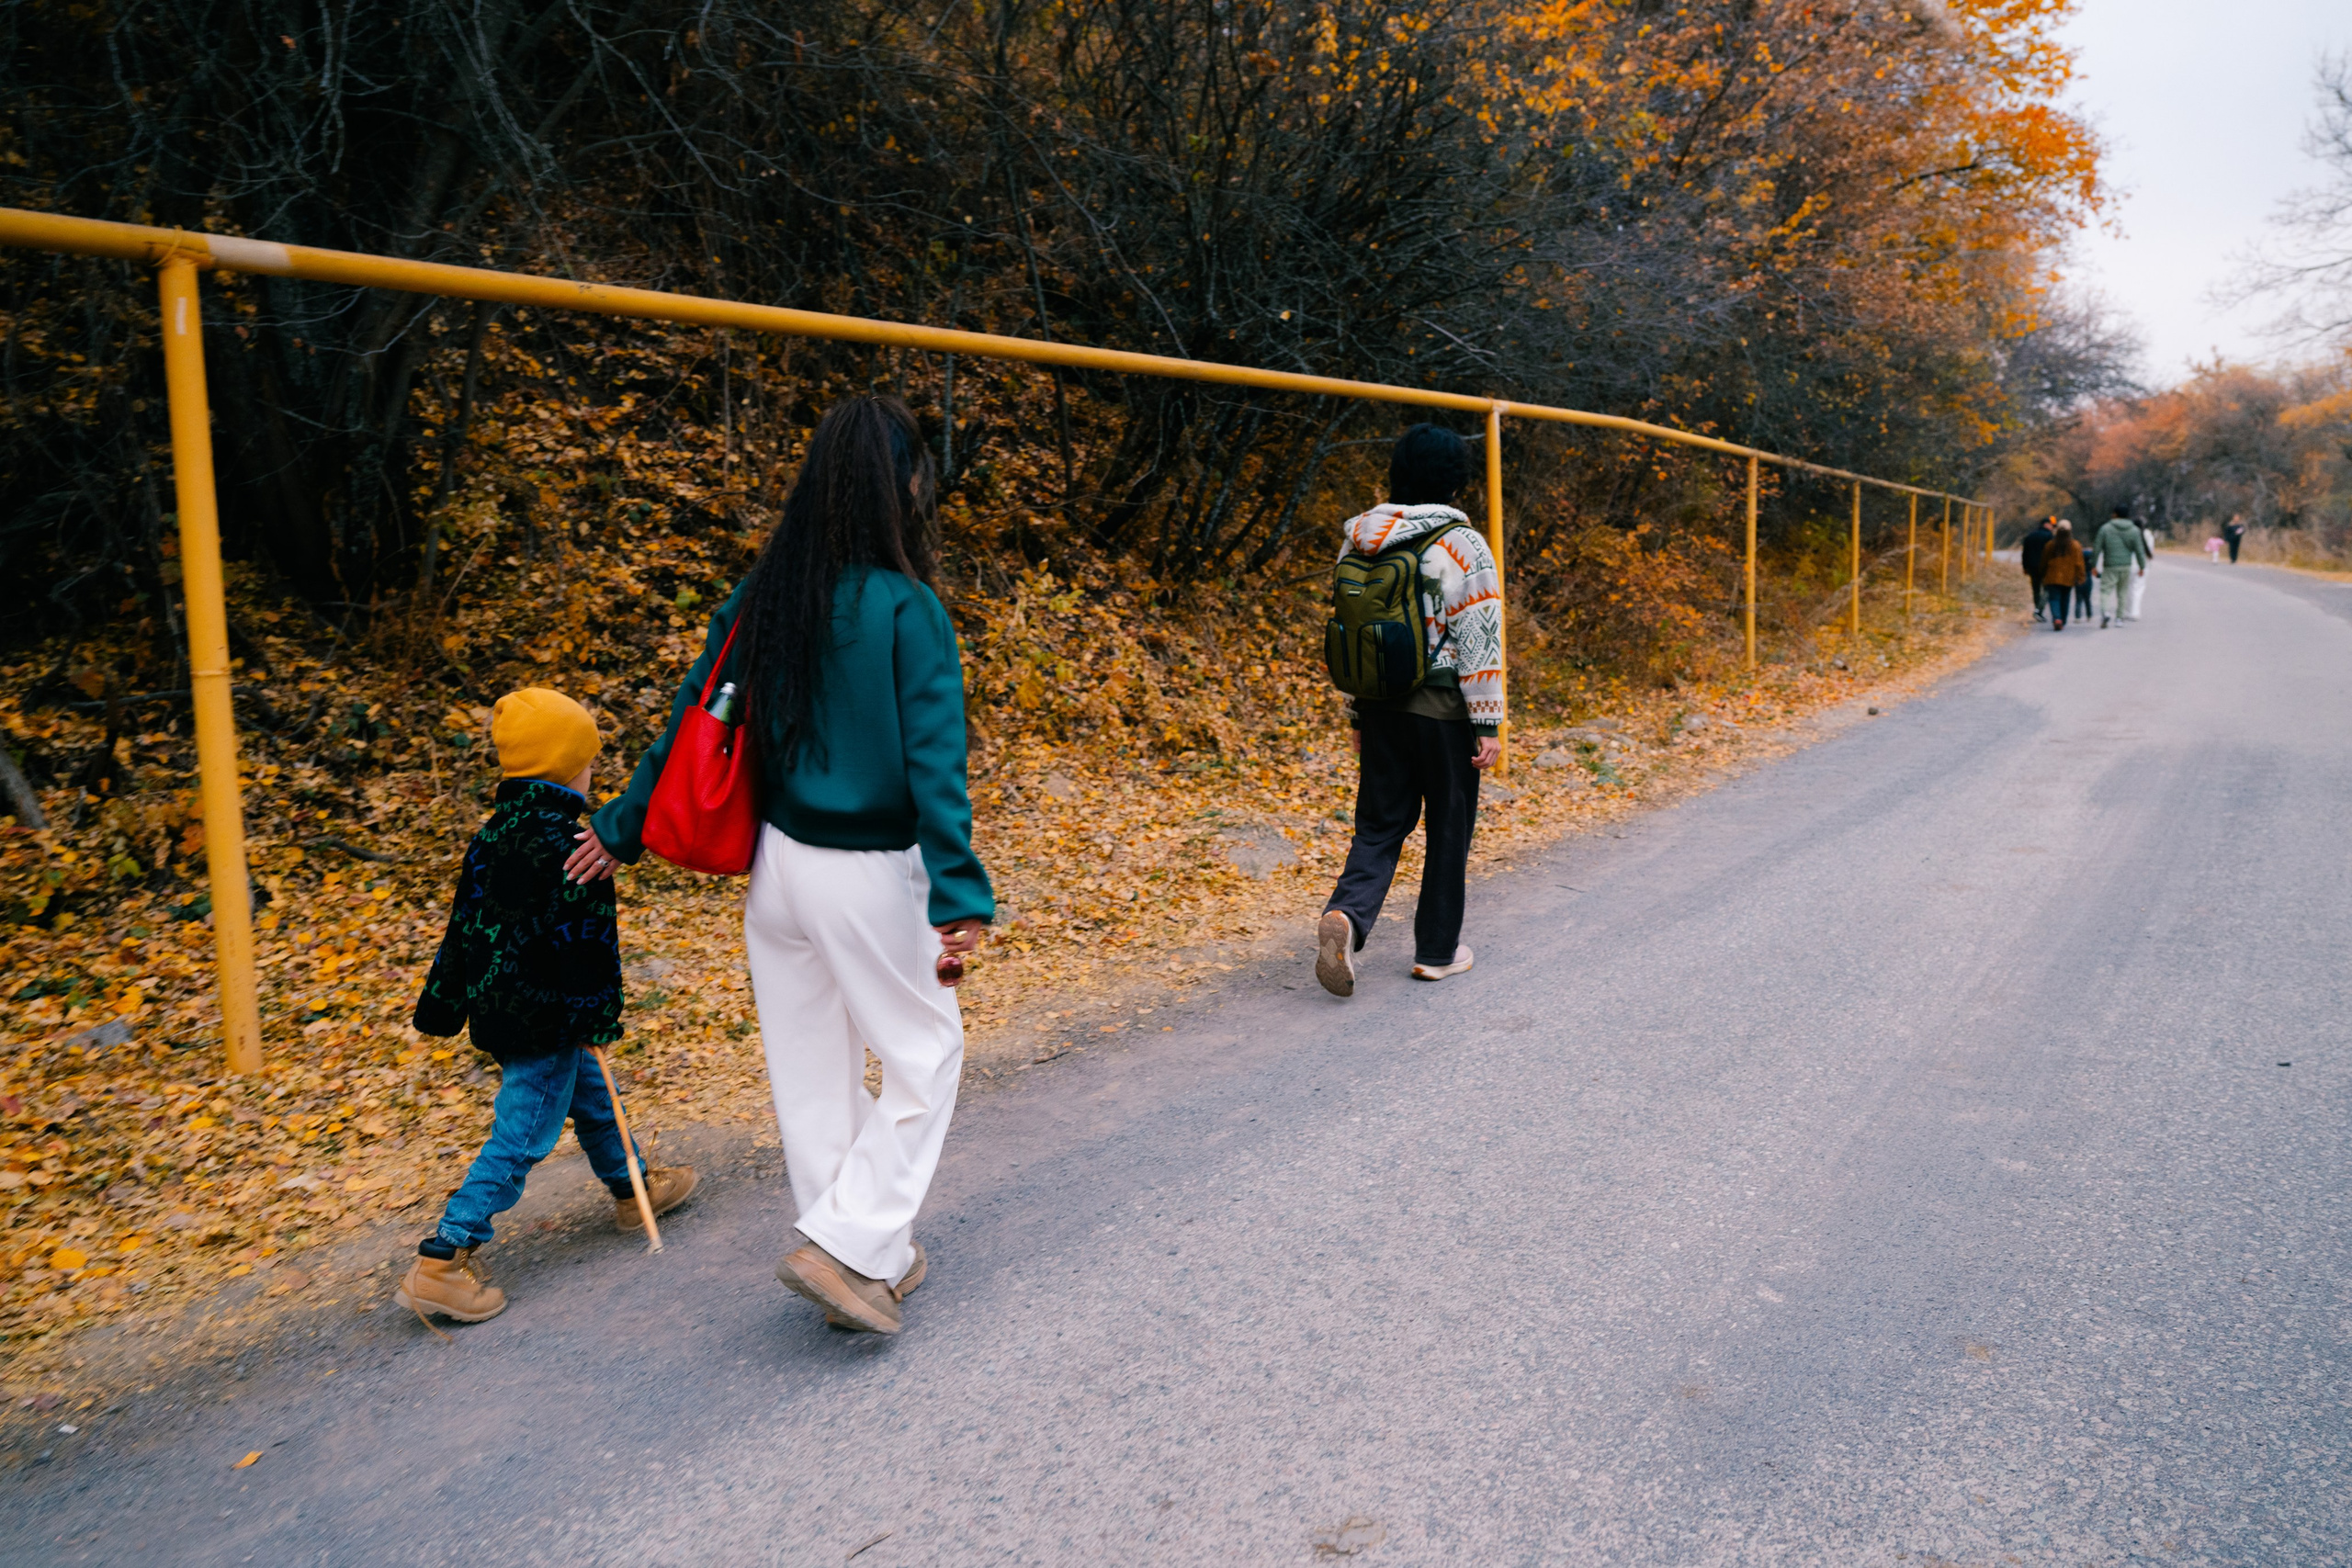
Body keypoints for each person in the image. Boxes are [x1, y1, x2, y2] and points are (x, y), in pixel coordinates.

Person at [573, 395, 990, 1337]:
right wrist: (960, 889)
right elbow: (935, 763)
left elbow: (693, 718)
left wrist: (621, 825)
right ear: (902, 487)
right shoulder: (905, 608)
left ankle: (867, 1260)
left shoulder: (765, 596)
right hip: (868, 873)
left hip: (779, 874)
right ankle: (846, 1245)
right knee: (927, 1056)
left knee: (813, 1070)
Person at [395, 688, 697, 1325]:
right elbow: (586, 947)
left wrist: (443, 1006)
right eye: (588, 759)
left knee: (589, 1091)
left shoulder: (490, 837)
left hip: (505, 1014)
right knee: (524, 1131)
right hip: (550, 1016)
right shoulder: (577, 843)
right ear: (570, 767)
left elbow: (463, 930)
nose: (592, 770)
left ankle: (632, 1187)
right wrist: (597, 1016)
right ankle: (444, 1257)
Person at [1315, 424, 1504, 998]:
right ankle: (1436, 953)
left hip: (1379, 708)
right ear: (1455, 479)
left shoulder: (1360, 540)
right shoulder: (1461, 544)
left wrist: (1356, 715)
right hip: (1444, 712)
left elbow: (1354, 634)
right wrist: (1488, 722)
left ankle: (1347, 915)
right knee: (1449, 826)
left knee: (1379, 823)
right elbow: (1480, 636)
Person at [2092, 503, 2150, 628]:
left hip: (2110, 565)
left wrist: (2093, 565)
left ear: (2115, 514)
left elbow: (2097, 547)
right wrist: (2142, 566)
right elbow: (2139, 550)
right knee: (2122, 592)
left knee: (2105, 590)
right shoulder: (2134, 530)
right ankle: (2119, 619)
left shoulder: (2105, 528)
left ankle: (2105, 612)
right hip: (2126, 565)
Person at [2041, 520, 2085, 630]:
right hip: (2068, 578)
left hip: (2052, 576)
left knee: (2054, 599)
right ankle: (2063, 620)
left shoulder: (2050, 544)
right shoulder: (2075, 545)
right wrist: (2081, 577)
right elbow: (2079, 563)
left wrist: (2042, 574)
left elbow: (2044, 561)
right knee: (2065, 599)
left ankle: (2057, 618)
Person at [2019, 515, 2056, 621]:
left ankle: (2037, 609)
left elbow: (2025, 553)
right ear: (2046, 524)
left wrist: (2025, 567)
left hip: (2032, 567)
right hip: (2045, 568)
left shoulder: (2030, 536)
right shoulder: (2049, 536)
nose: (2052, 527)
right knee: (2047, 589)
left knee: (2036, 589)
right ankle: (2039, 610)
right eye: (2051, 525)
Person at [2124, 514, 2155, 621]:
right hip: (2143, 566)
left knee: (2128, 589)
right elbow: (2150, 551)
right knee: (2137, 589)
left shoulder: (2129, 534)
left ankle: (2128, 611)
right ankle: (2135, 612)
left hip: (2129, 565)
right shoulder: (2148, 535)